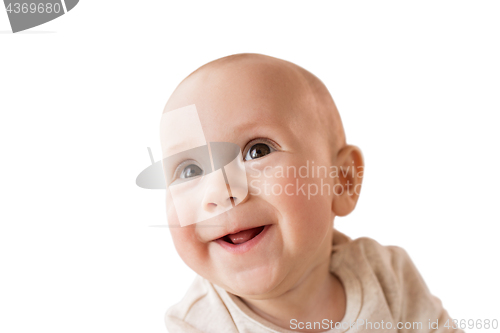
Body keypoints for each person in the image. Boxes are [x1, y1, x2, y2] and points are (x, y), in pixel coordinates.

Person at [159, 53, 462, 332]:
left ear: (342, 179)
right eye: (189, 170)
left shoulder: (387, 278)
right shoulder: (195, 326)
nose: (220, 192)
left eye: (257, 151)